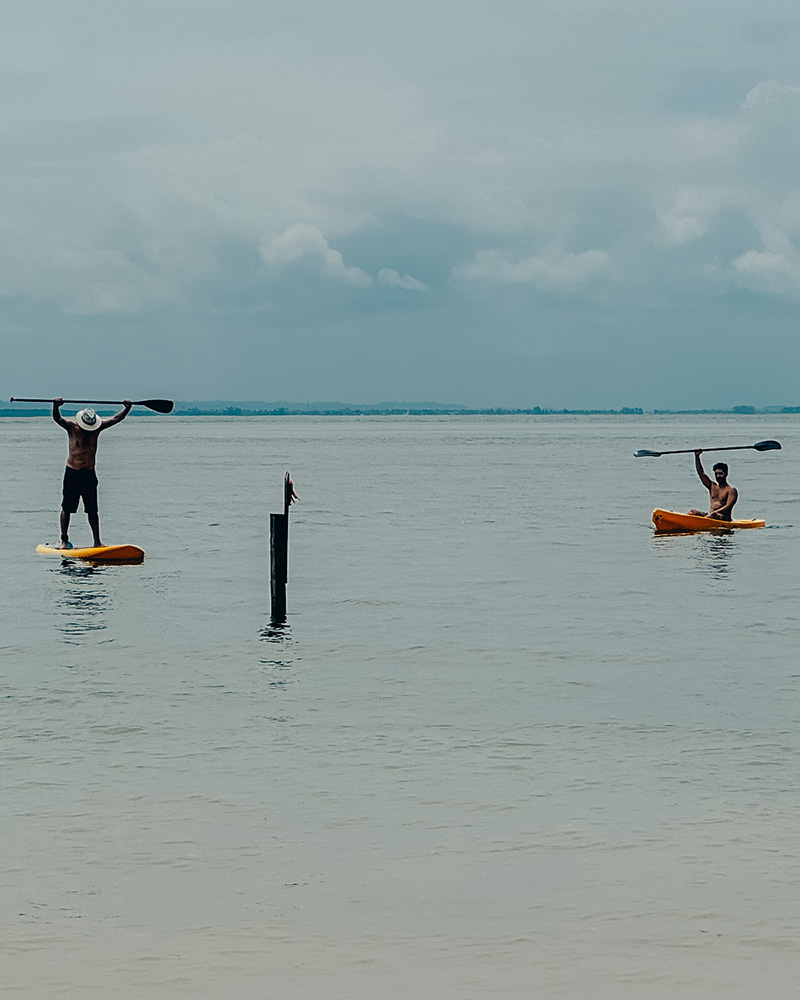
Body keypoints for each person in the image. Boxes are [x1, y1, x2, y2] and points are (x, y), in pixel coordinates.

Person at [52, 398, 132, 548]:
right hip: (72, 473)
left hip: (89, 474)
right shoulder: (72, 427)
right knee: (67, 508)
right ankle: (63, 540)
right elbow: (57, 418)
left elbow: (116, 419)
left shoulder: (97, 428)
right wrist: (56, 406)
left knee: (93, 510)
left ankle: (97, 542)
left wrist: (127, 408)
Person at [688, 449, 738, 521]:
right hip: (710, 515)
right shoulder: (712, 486)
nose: (718, 476)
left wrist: (714, 513)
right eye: (716, 474)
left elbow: (728, 506)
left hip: (724, 517)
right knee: (693, 512)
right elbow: (701, 473)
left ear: (726, 474)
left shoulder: (731, 490)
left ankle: (702, 523)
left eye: (720, 473)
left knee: (713, 515)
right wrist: (697, 456)